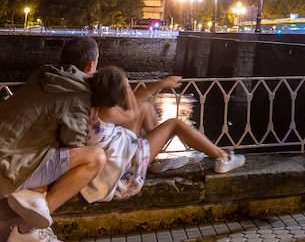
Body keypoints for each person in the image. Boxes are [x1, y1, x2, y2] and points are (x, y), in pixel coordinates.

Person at [81, 66, 243, 203]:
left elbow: (135, 104)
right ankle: (224, 157)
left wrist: (157, 87)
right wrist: (130, 86)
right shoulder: (108, 111)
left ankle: (155, 159)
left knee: (143, 107)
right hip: (118, 175)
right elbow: (131, 109)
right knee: (175, 124)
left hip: (113, 158)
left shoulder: (96, 107)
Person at [0, 37, 107, 242]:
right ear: (91, 65)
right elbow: (73, 146)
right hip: (7, 169)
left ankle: (33, 206)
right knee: (96, 157)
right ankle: (29, 227)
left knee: (51, 147)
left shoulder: (42, 76)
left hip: (9, 153)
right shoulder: (79, 91)